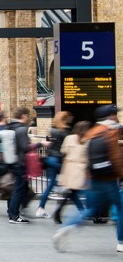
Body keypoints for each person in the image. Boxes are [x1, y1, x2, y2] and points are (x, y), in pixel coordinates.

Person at [53, 105, 123, 253]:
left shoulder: (91, 132)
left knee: (90, 208)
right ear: (111, 116)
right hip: (109, 178)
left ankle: (66, 227)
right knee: (120, 207)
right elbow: (115, 157)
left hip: (93, 177)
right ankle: (121, 242)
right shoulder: (110, 132)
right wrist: (120, 174)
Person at [4, 107, 39, 224]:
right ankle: (14, 215)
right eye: (27, 115)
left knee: (17, 188)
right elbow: (24, 147)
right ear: (23, 116)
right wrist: (40, 143)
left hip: (12, 161)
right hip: (20, 163)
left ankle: (11, 211)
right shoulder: (22, 129)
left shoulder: (10, 127)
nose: (28, 118)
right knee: (19, 189)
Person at [52, 121, 90, 224]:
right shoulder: (88, 140)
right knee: (78, 191)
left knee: (72, 191)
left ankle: (60, 210)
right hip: (81, 168)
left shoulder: (69, 138)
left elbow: (63, 151)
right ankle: (86, 212)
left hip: (69, 167)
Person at [37, 111, 72, 219]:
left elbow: (49, 144)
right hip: (58, 159)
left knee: (50, 185)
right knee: (72, 184)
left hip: (50, 159)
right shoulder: (65, 132)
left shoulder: (51, 130)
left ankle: (40, 208)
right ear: (64, 119)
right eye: (68, 117)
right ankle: (81, 210)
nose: (71, 118)